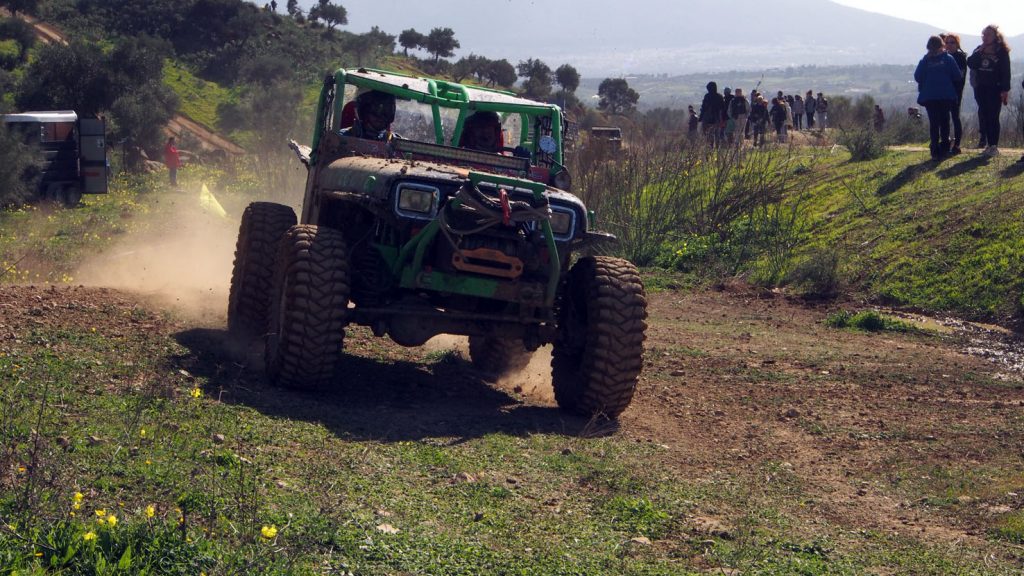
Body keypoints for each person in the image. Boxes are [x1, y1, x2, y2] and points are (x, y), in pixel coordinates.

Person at [966, 24, 1012, 157]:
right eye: (984, 35)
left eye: (988, 35)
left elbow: (1005, 71)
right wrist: (980, 51)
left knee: (993, 116)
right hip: (981, 88)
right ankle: (987, 144)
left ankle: (993, 145)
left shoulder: (1001, 51)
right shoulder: (979, 50)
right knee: (984, 115)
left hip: (995, 88)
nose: (985, 37)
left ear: (995, 37)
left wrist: (1005, 89)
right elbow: (971, 63)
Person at [915, 35, 962, 160]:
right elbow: (957, 76)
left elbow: (917, 76)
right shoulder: (948, 59)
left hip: (930, 97)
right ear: (942, 46)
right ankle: (945, 148)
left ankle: (934, 149)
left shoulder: (925, 61)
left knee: (934, 123)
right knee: (944, 122)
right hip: (946, 96)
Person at [942, 33, 968, 154]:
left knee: (955, 117)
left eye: (952, 42)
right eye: (947, 42)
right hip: (943, 93)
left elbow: (960, 76)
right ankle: (945, 143)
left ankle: (957, 144)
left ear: (957, 44)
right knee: (944, 119)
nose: (949, 45)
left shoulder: (961, 57)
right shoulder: (942, 56)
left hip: (956, 92)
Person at [699, 81, 725, 147]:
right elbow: (723, 108)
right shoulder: (719, 96)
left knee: (709, 134)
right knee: (717, 133)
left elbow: (703, 107)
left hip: (708, 118)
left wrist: (701, 117)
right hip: (717, 117)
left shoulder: (707, 96)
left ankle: (710, 146)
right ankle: (717, 146)